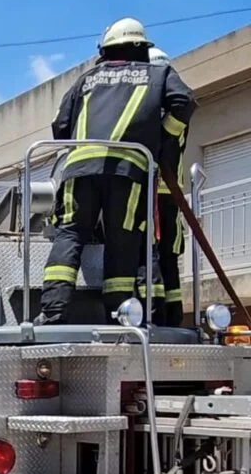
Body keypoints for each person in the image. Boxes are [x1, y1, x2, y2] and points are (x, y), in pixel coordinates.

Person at [36, 17, 196, 325]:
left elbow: (60, 127)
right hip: (128, 170)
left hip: (80, 170)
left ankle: (53, 311)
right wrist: (162, 138)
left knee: (69, 234)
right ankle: (120, 316)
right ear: (140, 48)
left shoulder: (85, 80)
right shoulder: (158, 73)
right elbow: (184, 103)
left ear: (106, 50)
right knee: (123, 240)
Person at [148, 45, 189, 326]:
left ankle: (155, 315)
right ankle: (172, 320)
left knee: (149, 258)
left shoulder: (148, 107)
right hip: (171, 195)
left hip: (149, 196)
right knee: (169, 261)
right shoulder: (178, 109)